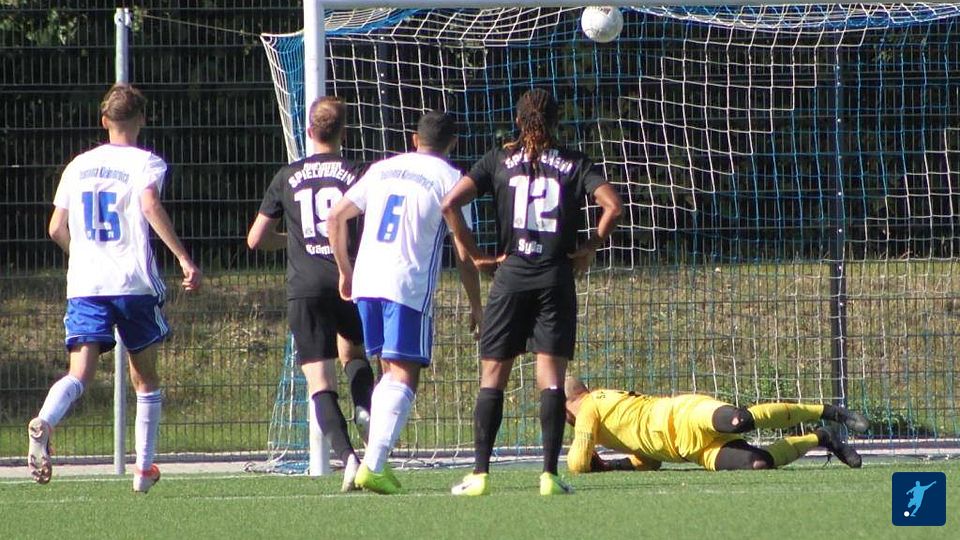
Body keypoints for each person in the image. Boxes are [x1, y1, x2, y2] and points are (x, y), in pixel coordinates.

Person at [442, 88, 624, 496]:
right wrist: (590, 246)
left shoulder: (497, 160)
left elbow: (449, 203)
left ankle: (480, 475)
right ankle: (548, 476)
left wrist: (475, 254)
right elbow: (613, 205)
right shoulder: (575, 163)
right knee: (552, 380)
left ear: (517, 120)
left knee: (493, 376)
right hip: (555, 277)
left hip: (511, 277)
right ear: (557, 121)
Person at [31, 83, 202, 492]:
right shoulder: (147, 162)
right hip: (131, 283)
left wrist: (83, 256)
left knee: (79, 373)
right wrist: (183, 257)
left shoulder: (77, 165)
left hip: (86, 284)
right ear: (141, 119)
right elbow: (149, 205)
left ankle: (45, 422)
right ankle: (143, 470)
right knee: (146, 378)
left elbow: (55, 228)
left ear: (104, 121)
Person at [328, 110, 483, 495]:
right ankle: (375, 466)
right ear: (452, 144)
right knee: (404, 374)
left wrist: (345, 271)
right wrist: (476, 304)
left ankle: (371, 461)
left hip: (366, 281)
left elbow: (336, 216)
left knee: (388, 370)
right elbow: (464, 252)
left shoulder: (382, 168)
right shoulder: (452, 180)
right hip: (406, 283)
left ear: (415, 139)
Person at [247, 96, 376, 492]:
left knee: (320, 381)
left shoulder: (287, 176)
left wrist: (292, 240)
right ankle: (364, 409)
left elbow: (256, 239)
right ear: (343, 132)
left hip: (305, 288)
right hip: (349, 279)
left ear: (308, 131)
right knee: (354, 353)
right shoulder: (357, 172)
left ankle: (348, 459)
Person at [562, 376, 869, 474]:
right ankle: (822, 437)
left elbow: (576, 463)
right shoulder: (605, 419)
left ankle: (830, 412)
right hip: (690, 451)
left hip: (683, 414)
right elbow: (650, 459)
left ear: (566, 410)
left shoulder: (588, 407)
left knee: (739, 420)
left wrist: (592, 464)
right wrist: (612, 466)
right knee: (758, 463)